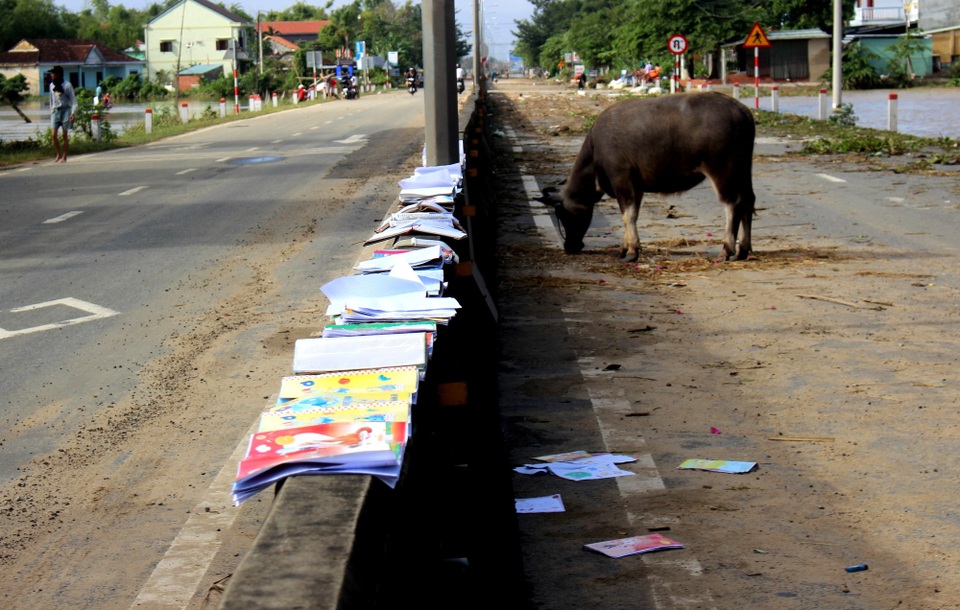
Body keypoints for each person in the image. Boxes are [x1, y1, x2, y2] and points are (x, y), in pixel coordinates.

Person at [48, 65, 77, 164]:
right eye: (51, 73)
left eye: (53, 73)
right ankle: (58, 154)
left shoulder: (67, 85)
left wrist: (73, 113)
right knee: (53, 134)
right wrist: (51, 111)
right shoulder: (51, 85)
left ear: (58, 74)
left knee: (65, 135)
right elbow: (51, 100)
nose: (52, 75)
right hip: (55, 111)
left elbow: (74, 101)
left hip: (65, 111)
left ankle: (64, 156)